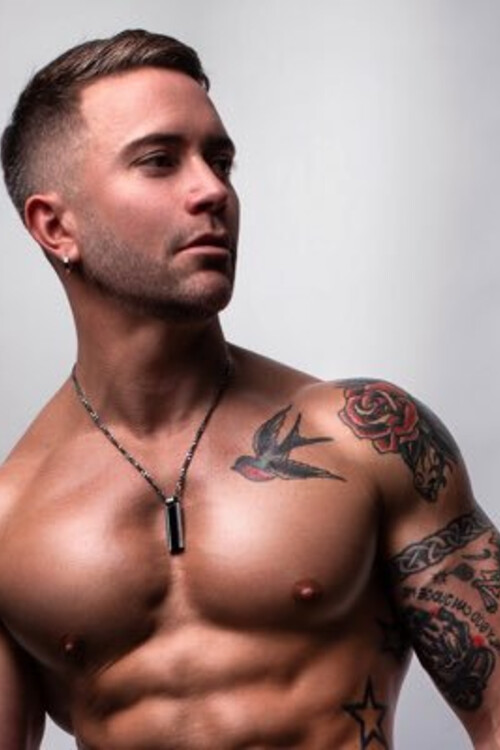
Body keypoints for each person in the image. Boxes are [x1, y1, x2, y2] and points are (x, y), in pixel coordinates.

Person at [0, 28, 498, 750]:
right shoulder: (10, 521)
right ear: (54, 225)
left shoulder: (366, 436)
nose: (212, 191)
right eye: (159, 161)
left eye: (220, 160)